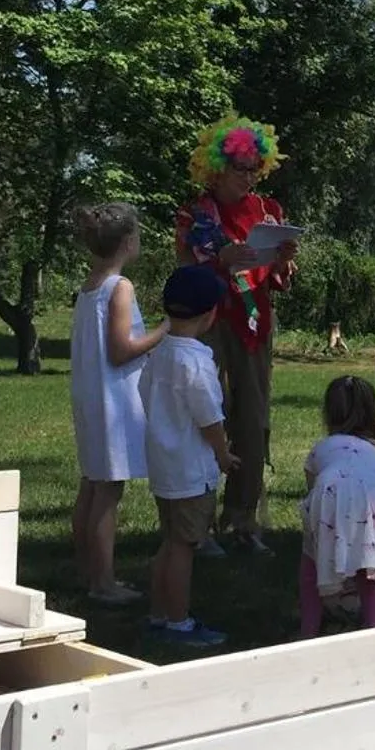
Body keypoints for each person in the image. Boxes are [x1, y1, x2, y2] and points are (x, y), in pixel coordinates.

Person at [176, 116, 296, 554]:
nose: (248, 176)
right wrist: (221, 259)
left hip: (255, 324)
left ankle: (242, 516)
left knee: (253, 418)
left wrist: (281, 264)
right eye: (239, 167)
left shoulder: (268, 212)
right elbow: (186, 273)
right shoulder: (196, 213)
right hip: (209, 323)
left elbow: (273, 277)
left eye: (253, 168)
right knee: (209, 414)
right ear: (215, 168)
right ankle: (199, 521)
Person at [69, 202, 168, 608]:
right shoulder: (120, 288)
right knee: (108, 490)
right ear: (127, 242)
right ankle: (104, 582)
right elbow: (121, 349)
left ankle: (88, 570)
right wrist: (166, 329)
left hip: (91, 394)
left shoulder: (90, 284)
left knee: (91, 485)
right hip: (113, 399)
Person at [139, 265, 237, 650]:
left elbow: (145, 395)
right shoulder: (195, 361)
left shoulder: (160, 353)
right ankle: (179, 622)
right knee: (184, 547)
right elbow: (209, 417)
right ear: (211, 314)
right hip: (191, 470)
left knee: (169, 541)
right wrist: (224, 454)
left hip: (163, 464)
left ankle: (159, 613)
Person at [300, 376, 375, 639]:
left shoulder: (322, 448)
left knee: (310, 562)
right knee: (369, 569)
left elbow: (312, 487)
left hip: (329, 498)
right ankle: (373, 625)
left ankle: (309, 629)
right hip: (371, 504)